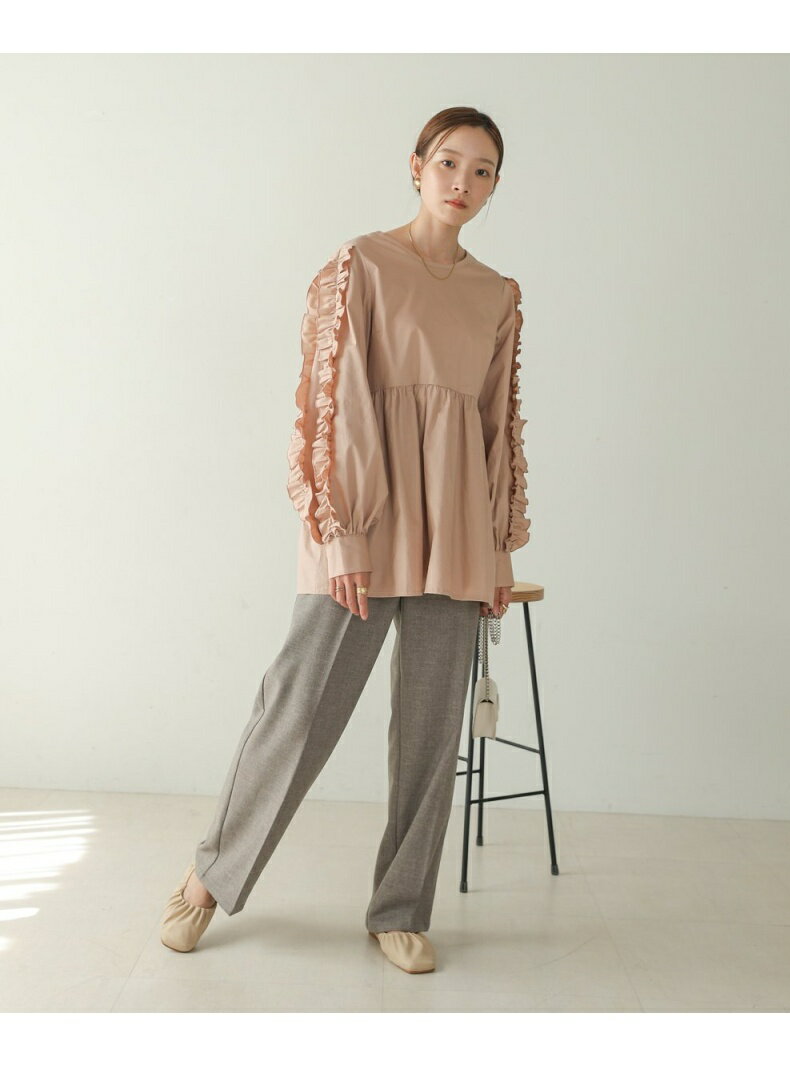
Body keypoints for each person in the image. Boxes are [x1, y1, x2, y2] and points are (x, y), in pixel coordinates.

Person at [159, 105, 531, 975]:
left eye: (481, 170)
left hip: (457, 534)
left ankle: (400, 907)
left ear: (494, 187)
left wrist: (498, 550)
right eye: (449, 162)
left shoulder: (498, 294)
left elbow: (495, 430)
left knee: (431, 734)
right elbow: (333, 401)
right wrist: (344, 534)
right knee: (299, 707)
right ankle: (210, 876)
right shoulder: (361, 264)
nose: (462, 182)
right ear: (416, 165)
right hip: (363, 523)